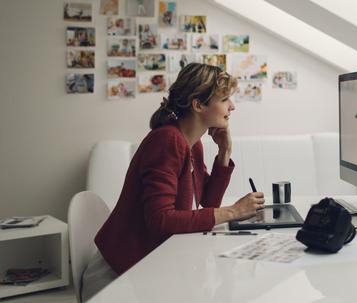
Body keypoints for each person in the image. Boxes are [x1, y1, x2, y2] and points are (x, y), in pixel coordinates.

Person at [80, 63, 265, 302]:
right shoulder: (167, 141)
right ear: (198, 105)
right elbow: (161, 220)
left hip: (145, 265)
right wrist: (233, 211)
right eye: (225, 99)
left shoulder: (192, 143)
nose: (232, 106)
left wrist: (224, 152)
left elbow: (208, 201)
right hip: (118, 277)